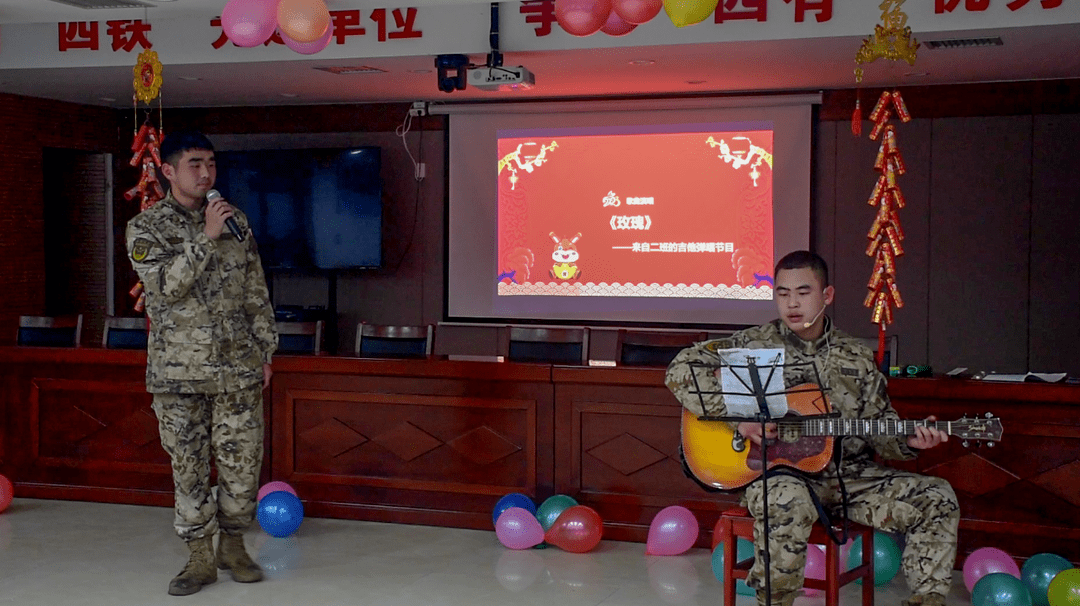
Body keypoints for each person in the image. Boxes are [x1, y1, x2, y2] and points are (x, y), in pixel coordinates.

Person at [666, 251, 958, 606]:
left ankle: (928, 600)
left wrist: (910, 441)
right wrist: (737, 418)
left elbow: (881, 425)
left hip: (851, 476)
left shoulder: (856, 356)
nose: (792, 304)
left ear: (827, 295)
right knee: (785, 501)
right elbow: (681, 370)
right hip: (780, 475)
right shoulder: (752, 343)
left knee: (937, 496)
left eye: (803, 293)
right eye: (783, 293)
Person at [126, 130, 278, 596]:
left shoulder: (238, 222)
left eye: (210, 162)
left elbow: (256, 292)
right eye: (194, 163)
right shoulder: (146, 229)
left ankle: (233, 547)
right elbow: (164, 289)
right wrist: (206, 239)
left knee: (242, 465)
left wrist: (266, 350)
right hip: (178, 375)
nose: (206, 173)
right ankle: (197, 558)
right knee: (189, 467)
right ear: (168, 171)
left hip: (237, 369)